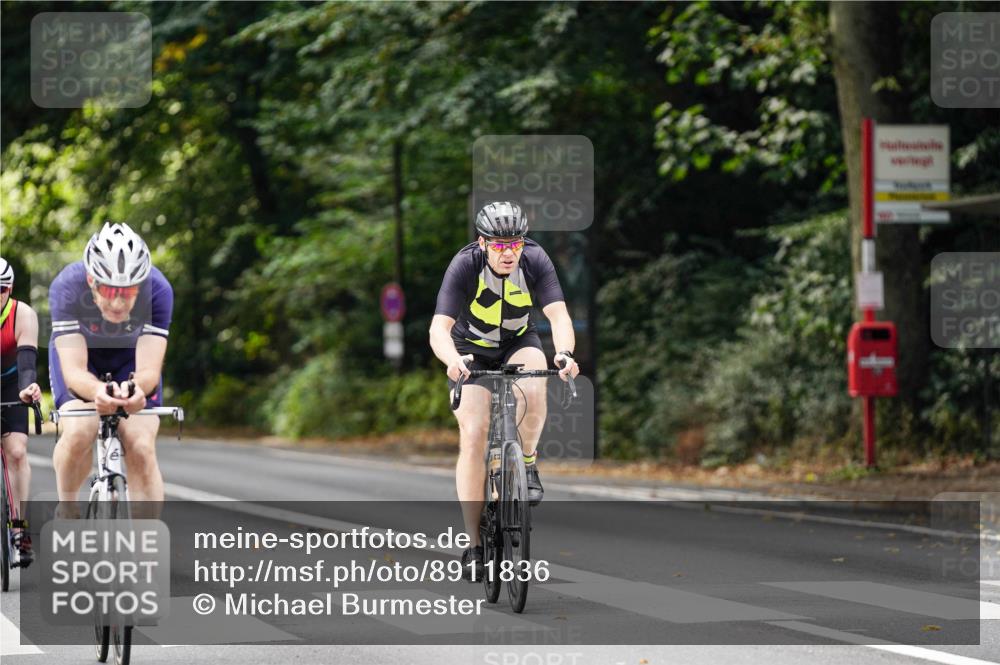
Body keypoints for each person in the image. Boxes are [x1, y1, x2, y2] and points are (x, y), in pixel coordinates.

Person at [429, 201, 580, 580]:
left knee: (535, 384)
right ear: (482, 243)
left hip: (518, 341)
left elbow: (558, 315)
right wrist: (452, 360)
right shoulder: (464, 264)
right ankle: (473, 545)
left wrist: (564, 353)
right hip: (470, 349)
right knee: (474, 434)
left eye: (515, 243)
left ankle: (526, 463)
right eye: (499, 245)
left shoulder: (535, 259)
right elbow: (438, 328)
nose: (508, 252)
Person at [49, 223, 173, 508]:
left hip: (131, 360)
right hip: (82, 359)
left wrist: (136, 390)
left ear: (140, 285)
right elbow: (74, 371)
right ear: (91, 281)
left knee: (141, 445)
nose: (117, 303)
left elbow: (149, 370)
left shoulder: (158, 290)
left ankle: (145, 536)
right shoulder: (66, 286)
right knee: (79, 432)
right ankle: (67, 507)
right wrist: (98, 392)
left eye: (128, 292)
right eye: (108, 289)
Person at [0, 257, 42, 565]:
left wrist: (28, 389)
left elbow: (27, 364)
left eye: (0, 289)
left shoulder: (23, 314)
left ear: (10, 289)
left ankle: (19, 528)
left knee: (16, 452)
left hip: (11, 384)